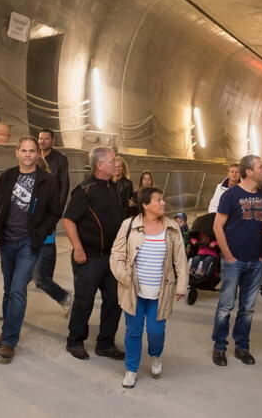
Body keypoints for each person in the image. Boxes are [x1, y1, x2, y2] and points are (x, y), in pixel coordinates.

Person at [0, 136, 62, 364]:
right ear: (17, 152)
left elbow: (55, 211)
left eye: (33, 151)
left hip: (28, 243)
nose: (28, 154)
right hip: (7, 241)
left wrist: (39, 234)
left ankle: (10, 341)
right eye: (24, 150)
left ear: (38, 154)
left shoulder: (47, 181)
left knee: (18, 289)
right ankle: (6, 330)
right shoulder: (7, 176)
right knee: (8, 289)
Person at [110, 187, 188, 388]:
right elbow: (116, 254)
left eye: (163, 199)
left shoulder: (171, 228)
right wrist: (123, 277)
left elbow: (180, 258)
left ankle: (155, 355)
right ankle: (131, 369)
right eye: (158, 200)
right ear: (145, 205)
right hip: (134, 290)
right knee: (133, 331)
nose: (163, 203)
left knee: (156, 330)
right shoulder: (129, 225)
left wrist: (181, 285)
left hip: (161, 292)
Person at [64, 146, 125, 361]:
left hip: (112, 257)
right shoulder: (84, 190)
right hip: (89, 257)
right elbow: (68, 220)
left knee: (114, 301)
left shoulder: (114, 188)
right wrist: (78, 249)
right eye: (111, 160)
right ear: (100, 165)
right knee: (84, 301)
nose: (116, 163)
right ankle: (75, 341)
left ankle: (105, 343)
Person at [211, 154, 262, 367]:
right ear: (249, 172)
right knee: (225, 307)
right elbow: (217, 226)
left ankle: (241, 347)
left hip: (256, 262)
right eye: (260, 166)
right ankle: (219, 348)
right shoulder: (231, 196)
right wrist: (228, 256)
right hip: (233, 261)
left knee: (248, 308)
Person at [35, 128, 72, 313]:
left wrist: (57, 212)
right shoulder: (33, 155)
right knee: (24, 274)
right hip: (32, 228)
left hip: (49, 213)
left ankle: (61, 295)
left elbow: (64, 186)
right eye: (40, 138)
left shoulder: (60, 159)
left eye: (45, 138)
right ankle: (9, 305)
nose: (41, 141)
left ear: (52, 140)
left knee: (39, 275)